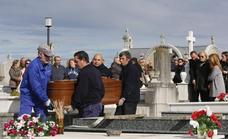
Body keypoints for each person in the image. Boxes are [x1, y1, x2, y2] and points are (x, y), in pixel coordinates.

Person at [19, 44, 54, 121]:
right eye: (46, 55)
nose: (49, 58)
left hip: (40, 97)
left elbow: (50, 82)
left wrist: (51, 97)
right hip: (28, 96)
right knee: (23, 121)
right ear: (40, 54)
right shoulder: (33, 66)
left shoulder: (48, 66)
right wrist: (46, 100)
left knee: (43, 122)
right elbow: (35, 86)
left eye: (50, 56)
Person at [72, 51, 104, 118]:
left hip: (89, 107)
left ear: (83, 60)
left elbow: (81, 91)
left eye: (76, 61)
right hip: (97, 104)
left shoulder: (84, 73)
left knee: (87, 127)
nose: (75, 64)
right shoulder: (95, 70)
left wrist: (74, 104)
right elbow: (102, 89)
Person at [115, 51, 141, 115]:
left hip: (130, 100)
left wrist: (123, 98)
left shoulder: (131, 69)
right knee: (117, 118)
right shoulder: (124, 68)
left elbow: (130, 85)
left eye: (123, 59)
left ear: (128, 59)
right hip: (124, 98)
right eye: (120, 58)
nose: (121, 60)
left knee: (127, 120)